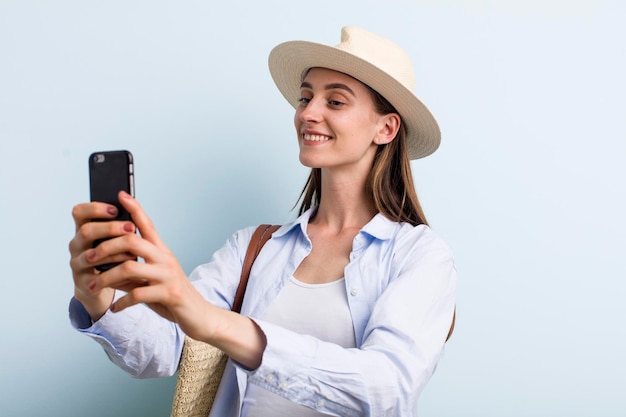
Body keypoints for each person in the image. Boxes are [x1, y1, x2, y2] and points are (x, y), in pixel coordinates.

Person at [68, 26, 457, 417]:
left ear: (385, 128)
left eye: (335, 101)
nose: (308, 112)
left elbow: (386, 388)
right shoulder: (252, 248)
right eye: (306, 97)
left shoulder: (420, 256)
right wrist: (99, 299)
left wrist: (221, 326)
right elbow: (161, 353)